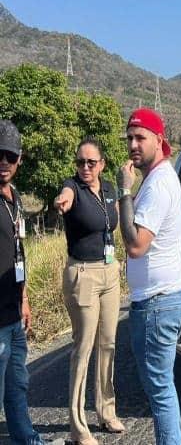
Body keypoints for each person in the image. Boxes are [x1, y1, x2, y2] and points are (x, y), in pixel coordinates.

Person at [116, 108, 181, 445]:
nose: (132, 144)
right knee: (164, 389)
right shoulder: (158, 179)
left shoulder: (157, 184)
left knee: (160, 393)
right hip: (163, 297)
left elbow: (136, 245)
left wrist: (123, 191)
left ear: (159, 140)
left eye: (140, 137)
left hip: (157, 303)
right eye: (129, 137)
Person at [54, 138, 124, 445]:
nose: (84, 167)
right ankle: (78, 426)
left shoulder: (108, 190)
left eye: (90, 162)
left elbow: (117, 218)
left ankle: (106, 411)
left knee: (108, 343)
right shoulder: (73, 187)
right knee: (83, 349)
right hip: (83, 274)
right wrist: (63, 199)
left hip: (109, 272)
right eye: (80, 162)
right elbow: (65, 195)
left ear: (102, 164)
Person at [0, 120, 46, 445]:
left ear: (20, 159)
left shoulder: (14, 197)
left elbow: (19, 252)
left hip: (14, 314)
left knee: (17, 385)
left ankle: (25, 438)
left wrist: (25, 297)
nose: (3, 162)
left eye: (10, 156)